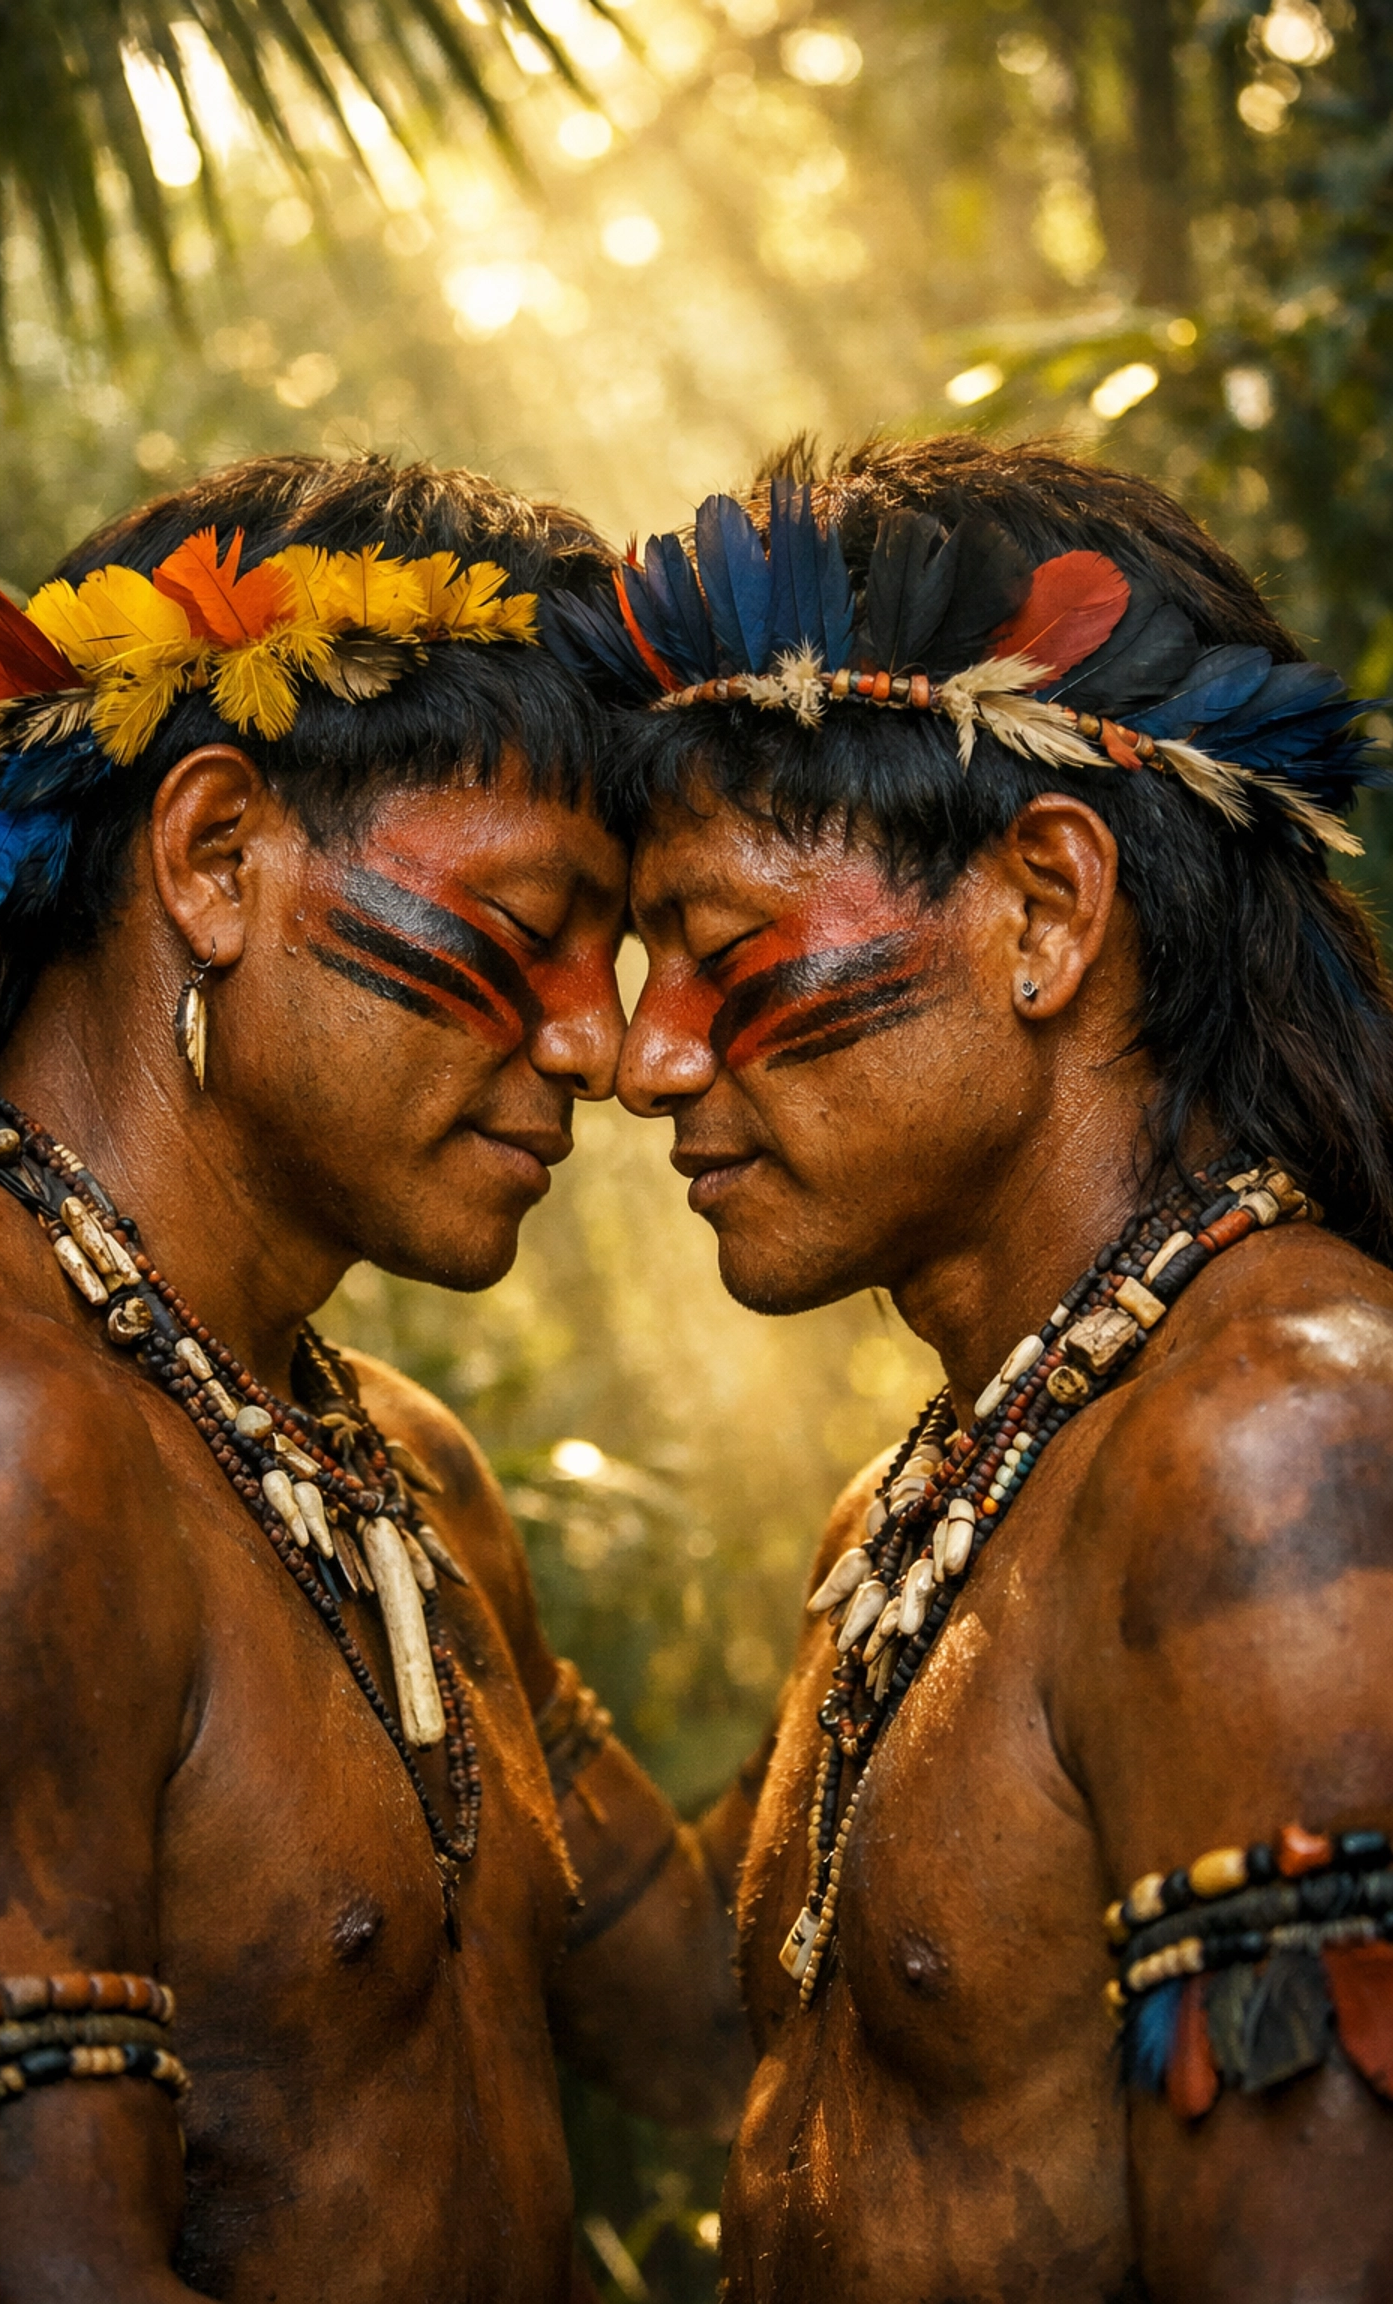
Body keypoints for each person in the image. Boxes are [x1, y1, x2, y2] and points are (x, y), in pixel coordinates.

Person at [0, 453, 755, 2303]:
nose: (595, 1040)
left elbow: (716, 2030)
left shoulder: (397, 1469)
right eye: (525, 929)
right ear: (214, 861)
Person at [541, 433, 1393, 2300]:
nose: (644, 1061)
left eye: (718, 952)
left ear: (1047, 913)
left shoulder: (1277, 1439)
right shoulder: (940, 1490)